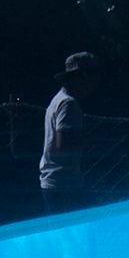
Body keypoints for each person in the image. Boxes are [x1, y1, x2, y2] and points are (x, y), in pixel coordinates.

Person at [38, 50, 99, 210]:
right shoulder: (68, 104)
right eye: (92, 77)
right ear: (82, 77)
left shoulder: (57, 99)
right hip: (64, 184)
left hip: (54, 182)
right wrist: (92, 143)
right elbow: (63, 144)